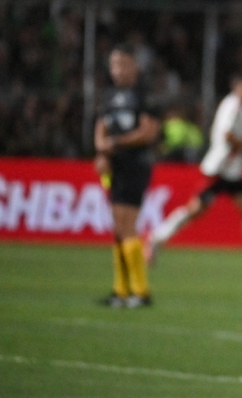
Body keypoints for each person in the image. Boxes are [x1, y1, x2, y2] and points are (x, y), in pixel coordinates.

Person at [147, 73, 242, 275]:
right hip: (220, 168)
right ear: (239, 86)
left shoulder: (240, 107)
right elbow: (227, 135)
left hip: (232, 169)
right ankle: (156, 238)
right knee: (196, 209)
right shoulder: (234, 105)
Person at [94, 45, 162, 307]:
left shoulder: (144, 95)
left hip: (136, 164)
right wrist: (101, 151)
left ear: (135, 66)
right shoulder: (109, 95)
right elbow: (100, 128)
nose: (117, 70)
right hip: (115, 166)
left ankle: (140, 291)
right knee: (117, 227)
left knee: (127, 224)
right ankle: (120, 291)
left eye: (122, 64)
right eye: (113, 65)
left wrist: (116, 143)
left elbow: (148, 132)